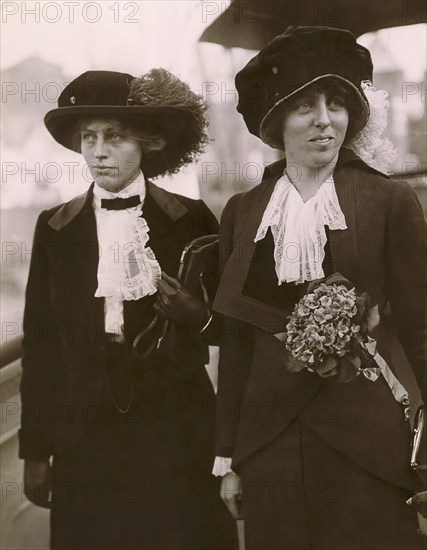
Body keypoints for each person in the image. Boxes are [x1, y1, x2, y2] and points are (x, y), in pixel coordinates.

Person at [212, 26, 427, 550]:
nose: (324, 119)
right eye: (305, 105)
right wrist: (229, 456)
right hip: (270, 445)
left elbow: (423, 328)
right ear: (276, 120)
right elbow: (237, 344)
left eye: (336, 103)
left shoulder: (389, 201)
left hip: (369, 442)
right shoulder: (243, 212)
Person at [20, 69, 237, 550]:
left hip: (177, 427)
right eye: (89, 138)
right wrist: (35, 452)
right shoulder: (55, 229)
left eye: (114, 137)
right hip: (85, 433)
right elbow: (41, 342)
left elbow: (230, 330)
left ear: (146, 144)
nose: (98, 151)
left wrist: (194, 312)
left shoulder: (191, 218)